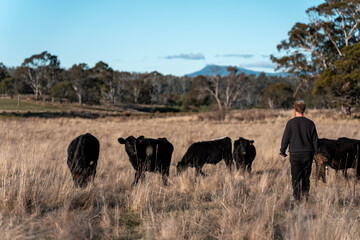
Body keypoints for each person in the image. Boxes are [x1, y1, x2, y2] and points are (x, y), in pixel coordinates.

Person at [280, 100, 320, 201]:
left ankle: (296, 198)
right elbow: (315, 140)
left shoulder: (290, 123)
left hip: (295, 154)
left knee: (296, 177)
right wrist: (318, 153)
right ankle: (305, 197)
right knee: (306, 177)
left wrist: (282, 151)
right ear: (304, 110)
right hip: (308, 154)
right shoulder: (310, 123)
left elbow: (285, 139)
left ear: (295, 110)